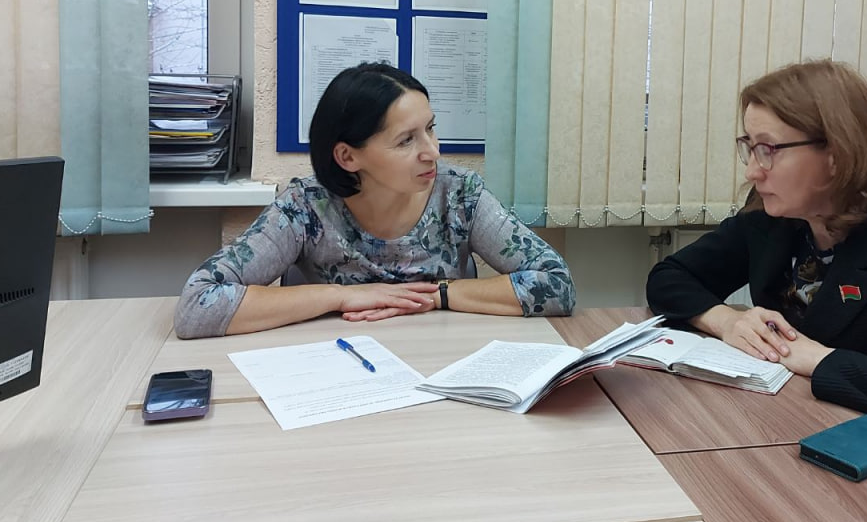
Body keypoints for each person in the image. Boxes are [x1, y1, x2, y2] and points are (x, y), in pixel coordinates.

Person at [646, 59, 867, 440]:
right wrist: (726, 321)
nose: (752, 171)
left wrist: (817, 358)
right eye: (750, 148)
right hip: (789, 424)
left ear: (837, 154)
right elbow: (668, 278)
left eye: (768, 149)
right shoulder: (772, 217)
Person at [175, 63, 575, 338]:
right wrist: (343, 295)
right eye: (406, 140)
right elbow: (197, 304)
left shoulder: (459, 195)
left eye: (430, 128)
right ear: (348, 157)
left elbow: (556, 283)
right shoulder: (306, 207)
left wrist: (437, 295)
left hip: (441, 362)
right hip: (337, 370)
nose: (433, 152)